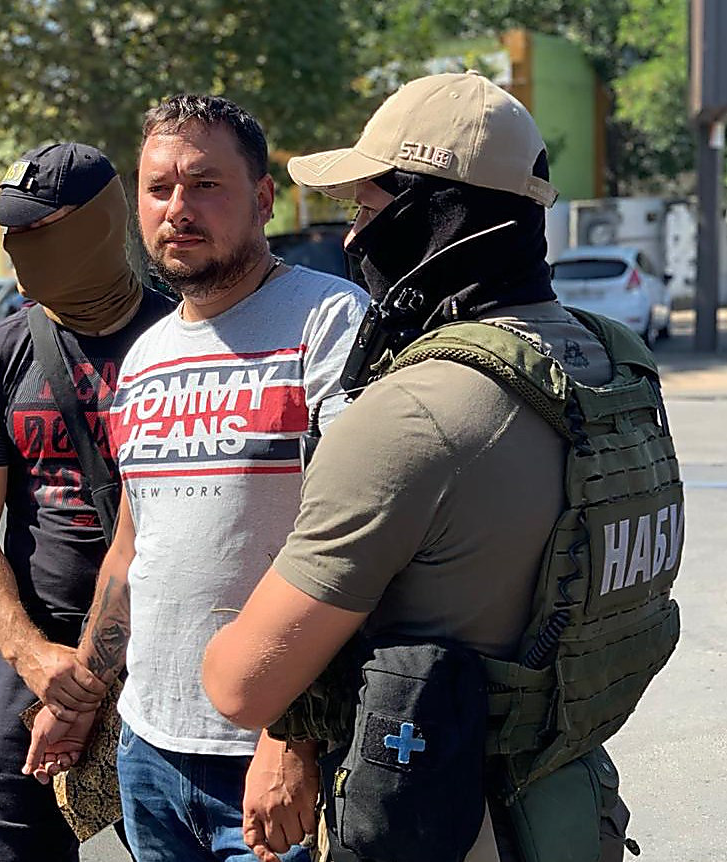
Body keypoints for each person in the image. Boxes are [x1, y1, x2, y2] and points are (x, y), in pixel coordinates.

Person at [202, 71, 682, 862]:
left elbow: (240, 685)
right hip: (572, 802)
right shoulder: (614, 365)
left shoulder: (416, 410)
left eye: (365, 210)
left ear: (435, 214)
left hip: (441, 821)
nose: (352, 239)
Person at [24, 94, 368, 862]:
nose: (177, 208)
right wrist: (84, 695)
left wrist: (292, 737)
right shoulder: (146, 357)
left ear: (264, 198)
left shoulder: (329, 320)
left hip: (271, 762)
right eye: (158, 189)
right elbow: (131, 552)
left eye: (205, 184)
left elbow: (360, 544)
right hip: (148, 752)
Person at [0, 141, 175, 862]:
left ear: (99, 222)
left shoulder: (191, 343)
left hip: (171, 652)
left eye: (35, 226)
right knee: (7, 831)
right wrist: (31, 655)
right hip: (36, 653)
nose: (17, 245)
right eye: (8, 230)